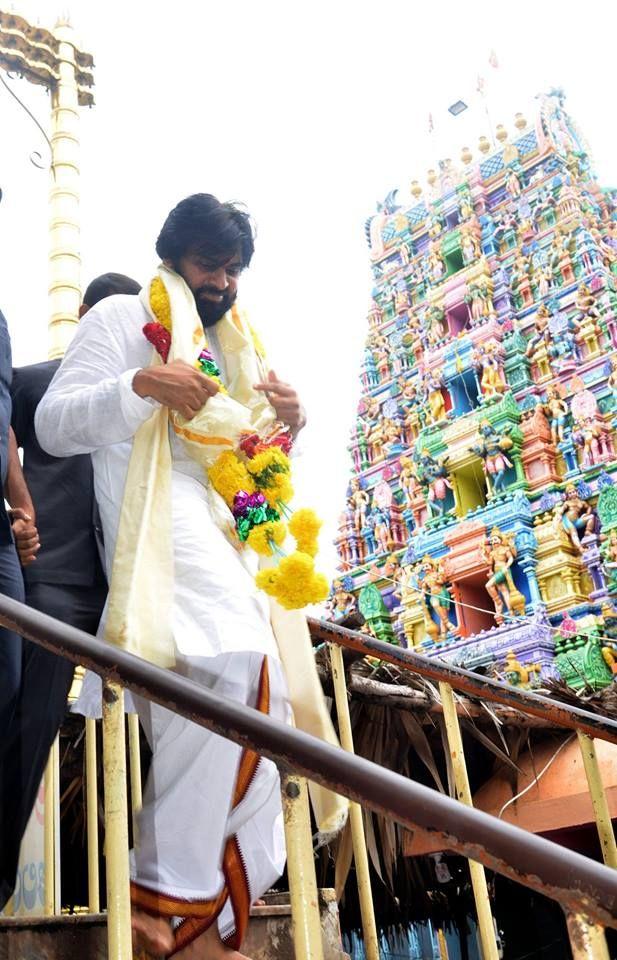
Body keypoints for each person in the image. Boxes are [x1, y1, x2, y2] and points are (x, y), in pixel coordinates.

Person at [35, 195, 338, 960]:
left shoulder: (234, 344)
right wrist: (141, 388)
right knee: (235, 667)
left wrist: (289, 427)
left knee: (252, 698)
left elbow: (249, 468)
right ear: (174, 255)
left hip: (222, 539)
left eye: (233, 269)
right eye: (211, 265)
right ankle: (164, 895)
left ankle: (211, 918)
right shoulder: (120, 320)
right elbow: (52, 424)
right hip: (152, 527)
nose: (223, 282)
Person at [0, 273, 141, 910]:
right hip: (52, 580)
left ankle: (152, 892)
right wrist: (20, 505)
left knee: (165, 728)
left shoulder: (145, 391)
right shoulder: (41, 378)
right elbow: (3, 424)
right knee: (29, 725)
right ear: (83, 317)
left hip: (126, 586)